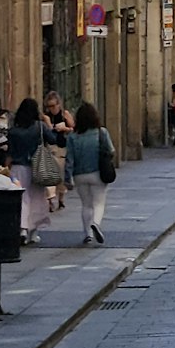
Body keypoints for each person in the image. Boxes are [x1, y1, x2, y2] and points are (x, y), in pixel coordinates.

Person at [7, 98, 57, 245]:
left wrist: (5, 168)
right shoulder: (39, 127)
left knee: (22, 198)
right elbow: (53, 139)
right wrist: (50, 126)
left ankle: (22, 228)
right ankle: (34, 232)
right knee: (37, 198)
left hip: (17, 167)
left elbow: (9, 152)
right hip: (37, 167)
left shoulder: (13, 131)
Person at [64, 102, 115, 245]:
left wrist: (68, 178)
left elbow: (69, 159)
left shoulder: (73, 136)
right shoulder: (101, 132)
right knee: (99, 203)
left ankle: (87, 234)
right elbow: (111, 151)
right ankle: (96, 224)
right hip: (98, 173)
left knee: (86, 204)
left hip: (79, 175)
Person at [42, 90, 74, 212]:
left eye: (53, 106)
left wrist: (65, 128)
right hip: (51, 147)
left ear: (58, 104)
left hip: (63, 147)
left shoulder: (65, 114)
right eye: (49, 106)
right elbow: (47, 130)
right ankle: (50, 200)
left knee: (61, 174)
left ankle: (61, 199)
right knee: (50, 175)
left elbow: (74, 129)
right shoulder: (46, 116)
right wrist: (48, 123)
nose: (52, 109)